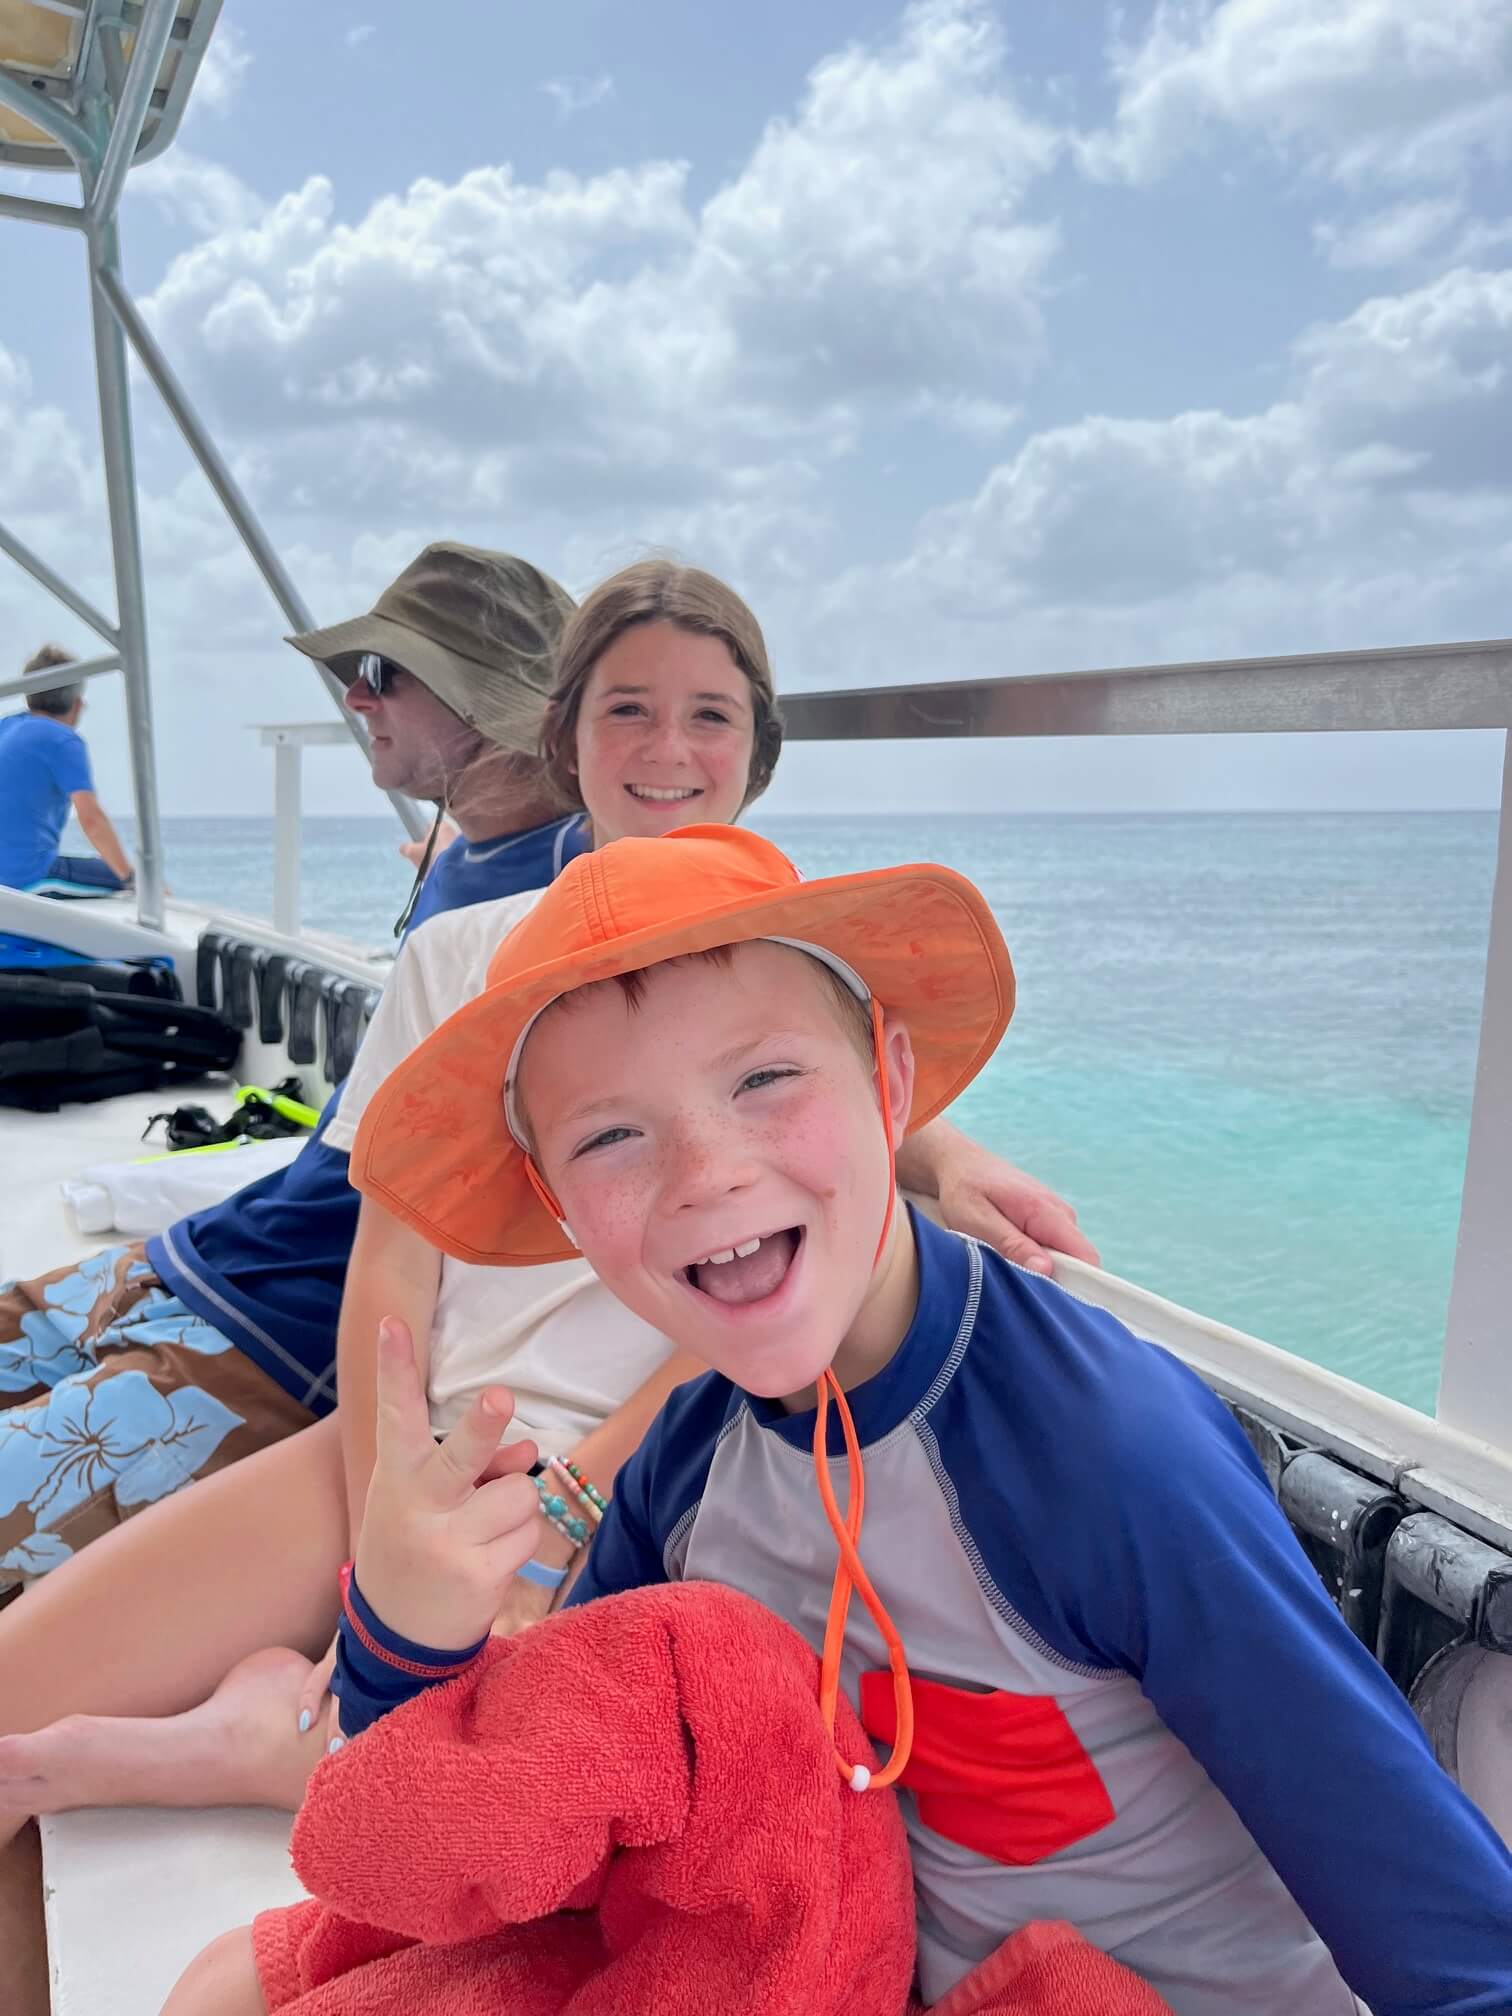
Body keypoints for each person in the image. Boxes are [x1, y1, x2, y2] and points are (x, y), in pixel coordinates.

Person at [170, 822, 1512, 2016]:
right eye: (612, 1140)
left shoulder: (1109, 1459)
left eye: (764, 1082)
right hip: (842, 1964)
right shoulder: (689, 1465)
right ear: (563, 1212)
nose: (708, 1173)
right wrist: (406, 1630)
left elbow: (1451, 1948)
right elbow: (524, 1828)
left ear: (890, 1084)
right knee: (230, 1985)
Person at [0, 563, 1095, 2016]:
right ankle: (281, 1729)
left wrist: (943, 1160)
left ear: (757, 750)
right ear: (565, 732)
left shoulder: (811, 968)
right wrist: (399, 1502)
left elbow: (797, 1283)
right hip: (427, 1447)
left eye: (710, 716)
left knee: (477, 1826)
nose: (665, 751)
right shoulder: (461, 955)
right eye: (626, 709)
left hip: (656, 1483)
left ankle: (284, 1737)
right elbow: (388, 1259)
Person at [0, 543, 585, 1599]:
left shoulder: (586, 886)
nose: (356, 697)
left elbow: (786, 1008)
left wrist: (944, 1158)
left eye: (384, 672)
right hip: (209, 1261)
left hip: (274, 1341)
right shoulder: (470, 852)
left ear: (482, 699)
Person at [0, 647, 135, 947]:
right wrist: (129, 877)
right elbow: (91, 819)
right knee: (136, 883)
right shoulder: (63, 740)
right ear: (76, 704)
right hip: (27, 875)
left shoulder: (5, 726)